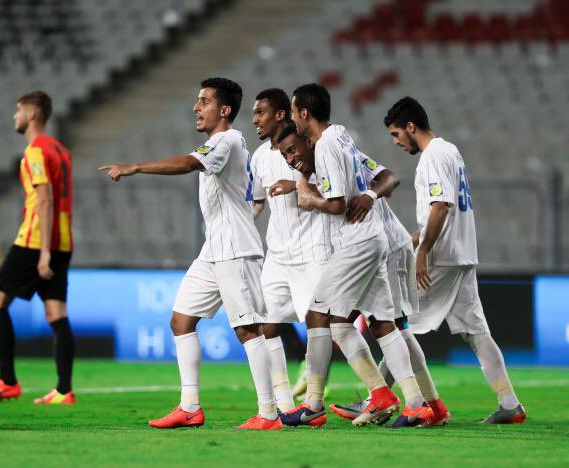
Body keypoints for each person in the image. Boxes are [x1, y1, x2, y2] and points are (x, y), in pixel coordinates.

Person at [99, 78, 281, 430]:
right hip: (214, 249)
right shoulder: (220, 143)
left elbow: (187, 163)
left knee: (248, 330)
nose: (196, 108)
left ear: (224, 110)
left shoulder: (228, 139)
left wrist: (134, 167)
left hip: (236, 249)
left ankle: (269, 413)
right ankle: (189, 407)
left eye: (204, 101)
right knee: (181, 321)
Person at [278, 84, 433, 429]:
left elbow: (336, 205)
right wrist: (363, 191)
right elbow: (378, 176)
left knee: (321, 314)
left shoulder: (328, 145)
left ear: (304, 113)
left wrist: (310, 200)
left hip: (357, 242)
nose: (291, 118)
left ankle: (315, 404)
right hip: (375, 240)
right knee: (381, 323)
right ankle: (414, 402)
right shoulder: (342, 137)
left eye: (292, 112)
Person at [384, 96, 525, 424]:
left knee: (395, 324)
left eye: (395, 134)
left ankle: (380, 400)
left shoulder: (432, 156)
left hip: (442, 257)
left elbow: (440, 207)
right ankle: (510, 404)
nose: (396, 142)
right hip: (462, 253)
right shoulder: (450, 151)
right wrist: (412, 239)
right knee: (475, 332)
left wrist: (422, 253)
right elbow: (441, 209)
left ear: (410, 126)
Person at [330, 150, 451, 426]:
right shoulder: (340, 149)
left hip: (384, 247)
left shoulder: (332, 149)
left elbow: (389, 179)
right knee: (391, 327)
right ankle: (428, 404)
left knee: (383, 325)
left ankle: (408, 402)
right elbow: (386, 179)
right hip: (380, 245)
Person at [0, 90, 76, 405]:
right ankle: (63, 390)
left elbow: (43, 199)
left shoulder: (36, 150)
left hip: (34, 240)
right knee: (56, 312)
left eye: (18, 111)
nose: (14, 117)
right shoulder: (61, 149)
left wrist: (42, 252)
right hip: (64, 238)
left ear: (31, 115)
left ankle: (7, 382)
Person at [250, 88, 332, 412]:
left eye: (261, 113)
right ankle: (284, 404)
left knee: (318, 323)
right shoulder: (258, 157)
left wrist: (296, 184)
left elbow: (330, 188)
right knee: (267, 325)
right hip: (278, 254)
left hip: (312, 249)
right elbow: (257, 200)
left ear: (281, 114)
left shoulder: (306, 145)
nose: (255, 119)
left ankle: (315, 402)